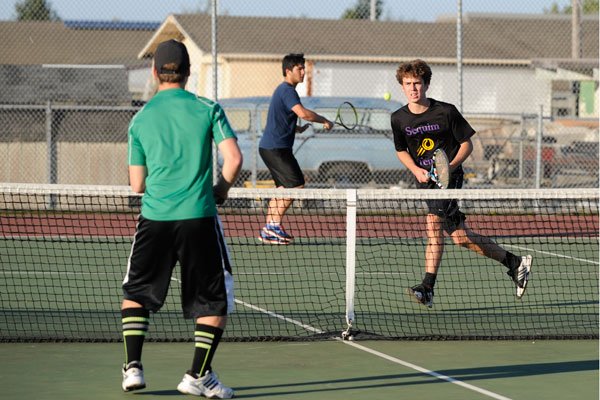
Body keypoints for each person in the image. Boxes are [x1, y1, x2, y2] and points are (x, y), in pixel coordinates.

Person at [120, 39, 242, 399]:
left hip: (153, 219)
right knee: (213, 300)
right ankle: (197, 374)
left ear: (155, 72)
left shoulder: (140, 119)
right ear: (189, 73)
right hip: (199, 219)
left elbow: (137, 183)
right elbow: (233, 160)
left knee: (136, 292)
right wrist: (221, 188)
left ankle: (133, 368)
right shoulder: (208, 109)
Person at [390, 59, 532, 308]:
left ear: (427, 84)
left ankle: (427, 287)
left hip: (449, 180)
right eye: (408, 83)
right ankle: (515, 263)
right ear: (402, 86)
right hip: (425, 181)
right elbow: (401, 150)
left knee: (433, 226)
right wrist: (415, 170)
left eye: (418, 83)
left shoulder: (446, 112)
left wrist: (449, 167)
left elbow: (467, 144)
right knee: (460, 237)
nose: (414, 88)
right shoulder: (398, 118)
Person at [258, 53, 334, 244]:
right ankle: (272, 225)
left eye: (303, 68)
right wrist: (323, 119)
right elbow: (302, 113)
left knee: (283, 188)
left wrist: (297, 128)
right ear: (288, 71)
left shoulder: (285, 91)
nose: (303, 72)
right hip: (276, 149)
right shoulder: (287, 90)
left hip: (273, 147)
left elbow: (283, 117)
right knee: (297, 185)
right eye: (299, 68)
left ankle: (270, 229)